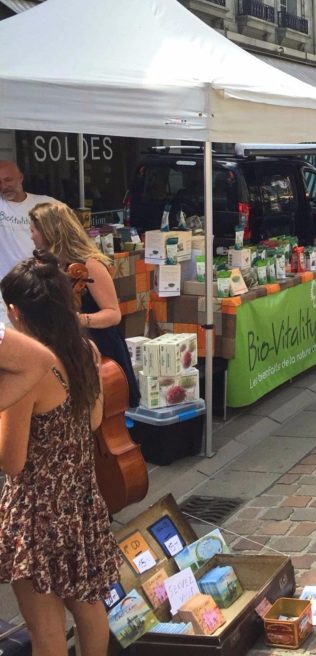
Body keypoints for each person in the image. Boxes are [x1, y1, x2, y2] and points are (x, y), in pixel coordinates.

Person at [0, 252, 120, 656]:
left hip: (37, 513)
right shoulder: (85, 351)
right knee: (89, 608)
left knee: (46, 632)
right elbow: (94, 420)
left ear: (16, 313)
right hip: (80, 502)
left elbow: (12, 462)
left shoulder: (29, 373)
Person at [29, 201, 141, 407]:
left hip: (99, 344)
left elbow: (113, 314)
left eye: (34, 230)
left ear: (49, 231)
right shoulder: (49, 265)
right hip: (69, 348)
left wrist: (79, 319)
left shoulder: (90, 265)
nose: (31, 236)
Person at [0, 161, 58, 321]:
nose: (4, 186)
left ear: (21, 178)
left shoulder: (46, 204)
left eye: (8, 180)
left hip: (42, 286)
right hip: (5, 290)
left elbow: (71, 232)